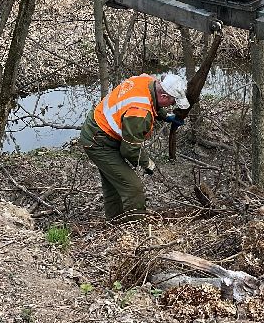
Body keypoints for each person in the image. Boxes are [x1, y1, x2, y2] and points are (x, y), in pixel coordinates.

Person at [80, 72, 190, 220]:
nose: (172, 105)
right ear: (164, 96)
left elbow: (151, 100)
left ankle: (115, 221)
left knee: (115, 184)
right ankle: (136, 226)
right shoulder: (140, 113)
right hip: (98, 142)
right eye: (172, 102)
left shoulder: (148, 80)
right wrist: (147, 164)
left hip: (99, 129)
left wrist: (166, 116)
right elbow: (129, 149)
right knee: (133, 187)